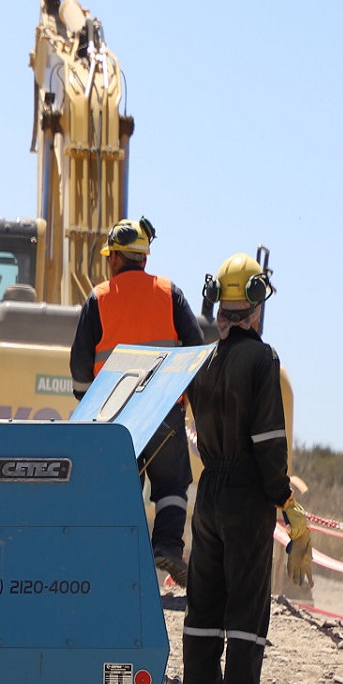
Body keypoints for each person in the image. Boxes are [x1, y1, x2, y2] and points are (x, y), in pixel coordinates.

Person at [181, 250, 310, 684]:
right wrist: (286, 502)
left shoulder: (205, 361)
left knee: (204, 606)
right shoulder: (262, 358)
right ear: (255, 306)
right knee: (247, 610)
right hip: (245, 497)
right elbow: (268, 444)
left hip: (209, 492)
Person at [69, 216, 204, 586]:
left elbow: (80, 368)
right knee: (172, 486)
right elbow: (195, 354)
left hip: (114, 416)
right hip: (163, 411)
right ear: (144, 258)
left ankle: (114, 564)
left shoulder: (98, 299)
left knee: (118, 489)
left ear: (113, 258)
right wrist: (189, 404)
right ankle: (166, 548)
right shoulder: (170, 293)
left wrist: (90, 404)